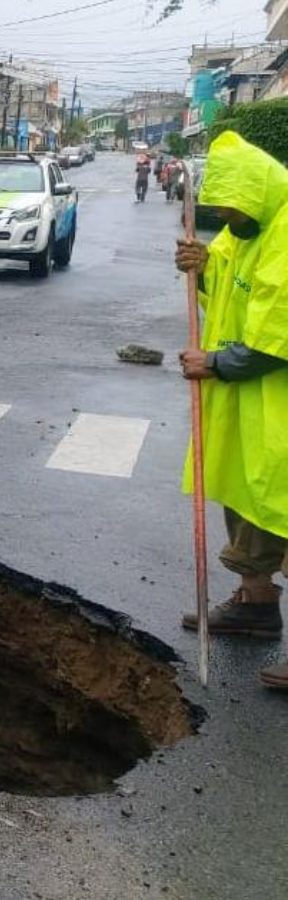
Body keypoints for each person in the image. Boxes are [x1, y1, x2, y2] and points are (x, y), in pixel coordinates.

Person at [173, 131, 288, 692]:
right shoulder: (245, 231)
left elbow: (274, 340)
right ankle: (256, 605)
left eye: (228, 209)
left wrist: (214, 362)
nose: (222, 218)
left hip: (275, 398)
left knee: (283, 510)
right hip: (252, 407)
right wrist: (202, 267)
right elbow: (228, 291)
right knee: (249, 503)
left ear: (255, 196)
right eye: (215, 209)